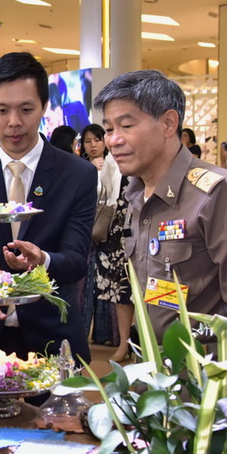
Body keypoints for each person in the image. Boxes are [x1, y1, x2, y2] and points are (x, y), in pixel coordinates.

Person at [0, 52, 97, 364]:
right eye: (2, 110)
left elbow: (76, 261)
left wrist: (44, 259)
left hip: (53, 339)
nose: (14, 122)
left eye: (26, 109)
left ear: (44, 107)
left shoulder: (77, 173)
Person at [95, 70, 227, 338]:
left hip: (204, 371)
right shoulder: (135, 192)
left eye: (126, 126)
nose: (113, 140)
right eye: (108, 129)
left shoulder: (216, 193)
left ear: (168, 123)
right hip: (154, 367)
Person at [82, 124, 134, 363]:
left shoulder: (145, 155)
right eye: (111, 130)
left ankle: (147, 344)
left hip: (144, 222)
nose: (116, 137)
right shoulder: (111, 162)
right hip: (117, 227)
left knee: (146, 288)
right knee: (121, 291)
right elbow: (104, 192)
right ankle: (124, 344)